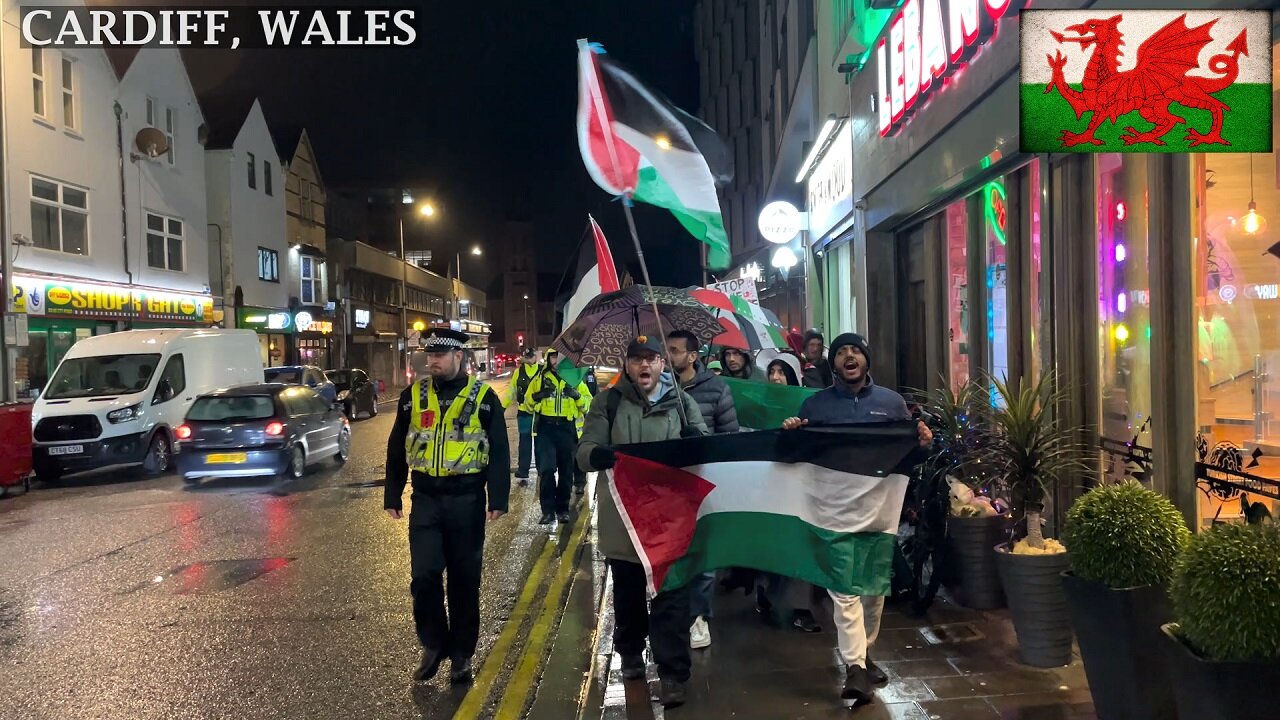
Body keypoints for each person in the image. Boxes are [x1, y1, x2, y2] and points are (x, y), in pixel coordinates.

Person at [782, 333, 932, 705]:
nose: (849, 356)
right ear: (832, 364)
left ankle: (863, 657)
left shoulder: (892, 403)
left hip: (879, 512)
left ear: (866, 359)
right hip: (832, 511)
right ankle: (854, 668)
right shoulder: (815, 406)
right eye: (841, 352)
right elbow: (797, 459)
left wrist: (922, 445)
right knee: (844, 589)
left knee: (873, 592)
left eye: (856, 351)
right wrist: (793, 435)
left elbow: (907, 458)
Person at [577, 334, 708, 708]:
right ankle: (631, 652)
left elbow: (704, 451)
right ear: (627, 366)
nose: (645, 365)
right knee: (629, 593)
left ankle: (672, 674)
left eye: (652, 358)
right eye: (637, 359)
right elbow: (584, 450)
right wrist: (598, 454)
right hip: (626, 519)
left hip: (670, 520)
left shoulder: (682, 403)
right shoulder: (609, 402)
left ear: (663, 364)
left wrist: (694, 439)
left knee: (671, 596)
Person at [384, 328, 511, 685]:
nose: (433, 361)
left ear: (460, 357)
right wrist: (392, 494)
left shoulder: (483, 398)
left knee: (464, 581)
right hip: (425, 498)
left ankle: (461, 654)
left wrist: (497, 498)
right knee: (423, 577)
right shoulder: (413, 396)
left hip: (466, 500)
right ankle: (434, 643)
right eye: (429, 354)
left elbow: (499, 452)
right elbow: (397, 445)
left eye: (440, 354)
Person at [667, 330, 739, 651]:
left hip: (705, 480)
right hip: (668, 483)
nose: (669, 356)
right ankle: (676, 613)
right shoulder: (660, 388)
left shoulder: (717, 389)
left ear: (692, 356)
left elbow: (729, 437)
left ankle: (699, 616)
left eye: (675, 350)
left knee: (705, 557)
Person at [758, 354, 823, 633]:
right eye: (771, 371)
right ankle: (766, 594)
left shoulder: (810, 405)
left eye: (781, 372)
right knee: (771, 547)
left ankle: (801, 607)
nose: (775, 377)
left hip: (801, 486)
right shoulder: (759, 405)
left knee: (801, 545)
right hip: (768, 486)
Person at [524, 348, 591, 524]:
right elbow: (527, 405)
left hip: (566, 430)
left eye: (560, 357)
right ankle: (547, 511)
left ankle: (562, 509)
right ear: (548, 359)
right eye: (553, 356)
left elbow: (588, 407)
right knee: (546, 470)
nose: (556, 360)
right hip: (545, 429)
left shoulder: (575, 380)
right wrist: (536, 396)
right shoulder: (539, 379)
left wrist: (576, 396)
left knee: (566, 471)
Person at [504, 349, 541, 486]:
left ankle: (528, 471)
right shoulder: (519, 372)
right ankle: (529, 471)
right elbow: (512, 391)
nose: (529, 359)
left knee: (537, 443)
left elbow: (511, 391)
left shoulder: (541, 371)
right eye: (527, 357)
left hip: (538, 414)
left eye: (531, 357)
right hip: (525, 413)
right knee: (528, 442)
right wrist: (503, 406)